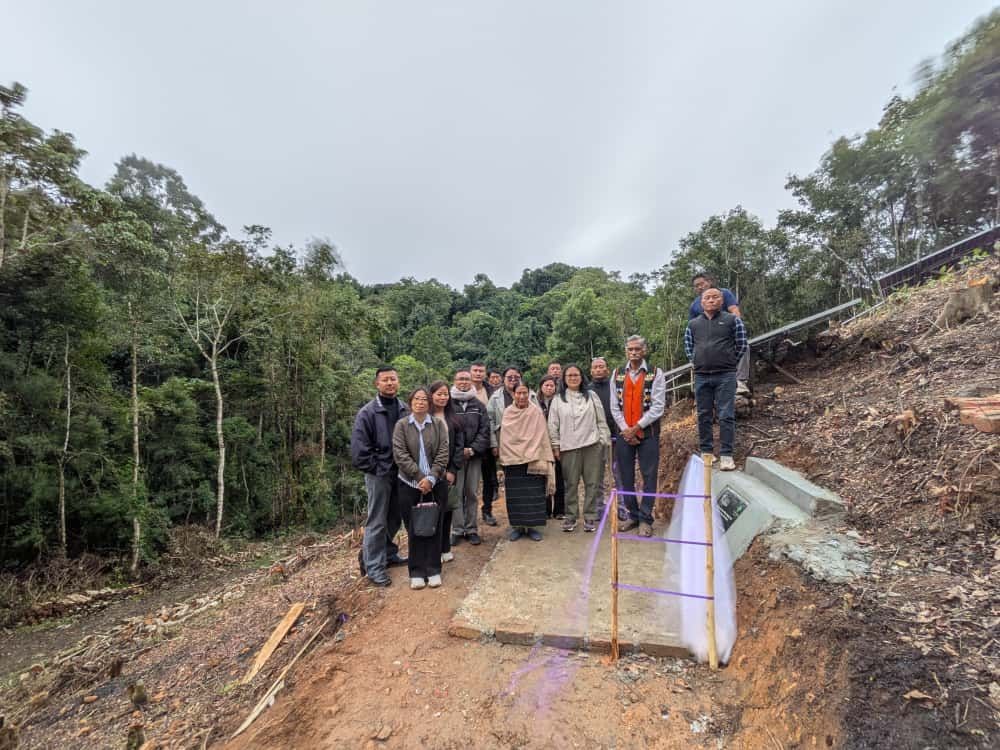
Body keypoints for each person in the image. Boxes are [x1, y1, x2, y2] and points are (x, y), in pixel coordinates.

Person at [351, 367, 410, 586]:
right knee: (376, 520)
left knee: (395, 517)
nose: (390, 383)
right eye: (385, 380)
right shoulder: (367, 412)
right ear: (377, 384)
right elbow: (359, 450)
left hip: (401, 472)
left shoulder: (405, 408)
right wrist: (378, 468)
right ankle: (374, 566)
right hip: (379, 474)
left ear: (398, 382)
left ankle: (388, 552)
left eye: (393, 379)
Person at [685, 287, 748, 472]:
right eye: (707, 298)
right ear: (701, 302)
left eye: (715, 297)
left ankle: (727, 455)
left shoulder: (731, 320)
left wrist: (729, 362)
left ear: (722, 301)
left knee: (726, 414)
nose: (711, 300)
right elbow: (689, 347)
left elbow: (742, 344)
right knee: (704, 414)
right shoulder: (693, 324)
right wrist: (697, 362)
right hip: (702, 376)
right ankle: (707, 452)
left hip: (725, 375)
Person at [392, 387, 450, 589]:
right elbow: (400, 454)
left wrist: (432, 477)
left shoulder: (438, 424)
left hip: (436, 484)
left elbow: (443, 452)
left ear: (429, 403)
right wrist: (419, 477)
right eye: (417, 399)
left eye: (424, 399)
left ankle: (433, 569)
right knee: (414, 528)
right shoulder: (401, 426)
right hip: (410, 484)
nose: (421, 402)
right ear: (410, 402)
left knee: (435, 525)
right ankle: (416, 571)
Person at [609, 336, 666, 537]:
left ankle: (646, 518)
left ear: (644, 350)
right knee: (625, 476)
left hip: (648, 434)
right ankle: (633, 515)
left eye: (637, 349)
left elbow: (658, 406)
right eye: (630, 349)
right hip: (624, 434)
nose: (633, 352)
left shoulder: (656, 373)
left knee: (649, 475)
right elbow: (614, 407)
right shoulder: (617, 374)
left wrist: (637, 427)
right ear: (626, 351)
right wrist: (626, 429)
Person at [547, 365, 610, 533]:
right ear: (564, 378)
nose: (573, 378)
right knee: (571, 484)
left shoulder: (591, 396)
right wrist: (555, 446)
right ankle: (571, 517)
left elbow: (601, 420)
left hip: (592, 446)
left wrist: (604, 442)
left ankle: (590, 517)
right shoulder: (558, 399)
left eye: (576, 375)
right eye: (569, 375)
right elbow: (553, 425)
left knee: (592, 483)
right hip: (568, 448)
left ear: (582, 377)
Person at [498, 383, 553, 541]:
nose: (522, 396)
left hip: (533, 459)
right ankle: (517, 527)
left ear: (529, 394)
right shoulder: (508, 412)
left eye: (524, 393)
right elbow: (506, 437)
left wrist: (531, 452)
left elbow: (541, 435)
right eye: (518, 393)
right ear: (513, 394)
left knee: (533, 495)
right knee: (515, 496)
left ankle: (533, 528)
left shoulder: (535, 412)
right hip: (512, 460)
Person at [448, 369, 491, 546]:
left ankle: (471, 528)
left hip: (474, 457)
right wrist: (457, 451)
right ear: (454, 381)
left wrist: (472, 449)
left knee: (471, 493)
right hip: (454, 458)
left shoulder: (478, 405)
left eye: (466, 379)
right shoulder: (448, 404)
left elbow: (484, 430)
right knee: (455, 493)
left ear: (471, 382)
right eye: (460, 379)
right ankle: (457, 529)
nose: (464, 382)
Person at [691, 273, 750, 395]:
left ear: (709, 281)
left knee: (744, 346)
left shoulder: (724, 293)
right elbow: (692, 327)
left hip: (726, 334)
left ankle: (740, 381)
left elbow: (734, 310)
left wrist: (737, 331)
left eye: (701, 283)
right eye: (696, 286)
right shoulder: (695, 305)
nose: (699, 287)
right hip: (706, 339)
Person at [429, 381, 464, 564]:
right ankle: (432, 549)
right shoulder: (424, 416)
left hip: (448, 472)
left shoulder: (453, 417)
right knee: (431, 511)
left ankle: (445, 547)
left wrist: (452, 470)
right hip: (428, 472)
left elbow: (459, 446)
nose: (442, 397)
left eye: (445, 394)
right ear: (431, 395)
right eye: (439, 394)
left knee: (447, 509)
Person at [470, 362, 499, 527]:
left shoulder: (491, 391)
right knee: (468, 483)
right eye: (475, 370)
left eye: (481, 371)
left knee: (489, 479)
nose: (478, 373)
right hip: (468, 444)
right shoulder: (463, 391)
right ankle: (467, 516)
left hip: (487, 442)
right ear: (470, 372)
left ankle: (487, 510)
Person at [588, 356, 618, 508]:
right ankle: (599, 506)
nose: (599, 369)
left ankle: (621, 505)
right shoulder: (587, 390)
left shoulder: (615, 386)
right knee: (597, 475)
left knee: (619, 473)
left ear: (607, 369)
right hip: (596, 439)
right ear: (591, 371)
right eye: (596, 367)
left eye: (601, 366)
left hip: (617, 437)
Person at [537, 375, 565, 519]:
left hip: (559, 443)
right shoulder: (535, 402)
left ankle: (560, 510)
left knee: (560, 477)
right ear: (541, 387)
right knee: (543, 476)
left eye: (551, 385)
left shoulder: (561, 401)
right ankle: (545, 510)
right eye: (546, 385)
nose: (549, 388)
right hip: (541, 445)